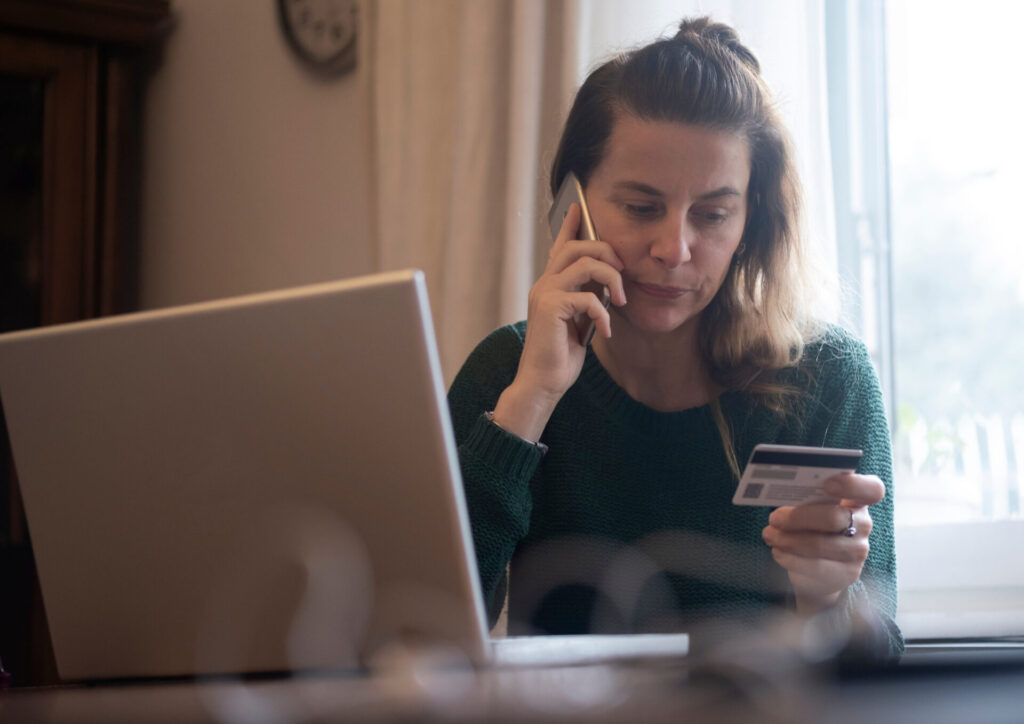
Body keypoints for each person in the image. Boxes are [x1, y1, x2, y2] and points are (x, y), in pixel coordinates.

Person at [447, 17, 903, 660]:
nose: (674, 250)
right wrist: (532, 400)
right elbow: (428, 628)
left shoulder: (826, 379)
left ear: (752, 220)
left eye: (713, 215)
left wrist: (829, 602)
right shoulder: (508, 370)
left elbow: (881, 672)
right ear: (571, 205)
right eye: (640, 207)